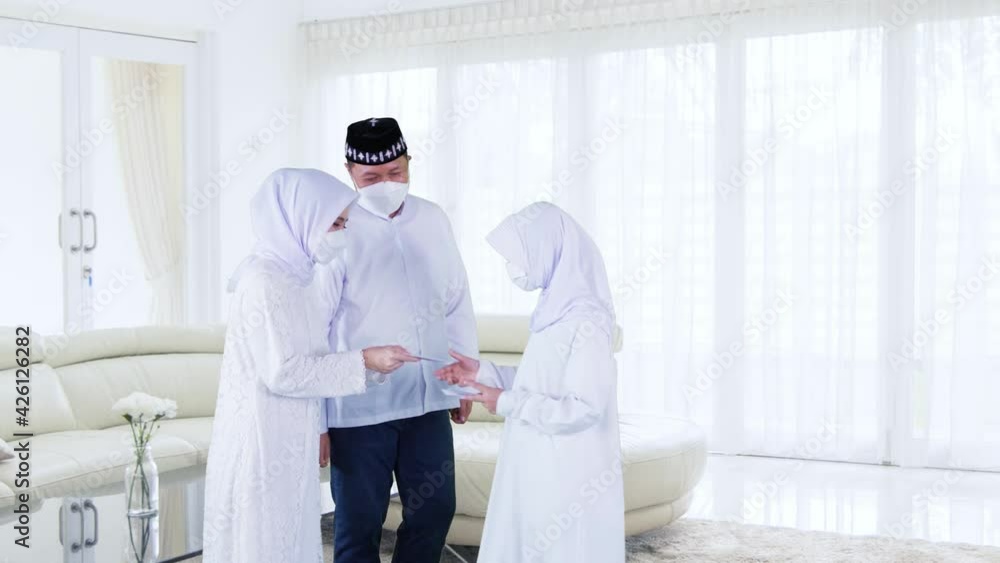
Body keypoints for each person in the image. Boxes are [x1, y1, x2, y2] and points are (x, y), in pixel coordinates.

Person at [203, 168, 417, 563]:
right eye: (334, 224)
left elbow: (315, 359)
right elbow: (283, 371)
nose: (341, 234)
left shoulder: (298, 278)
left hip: (288, 436)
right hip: (262, 439)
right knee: (263, 542)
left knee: (289, 537)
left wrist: (371, 365)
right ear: (300, 218)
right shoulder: (263, 281)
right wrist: (364, 360)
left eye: (344, 224)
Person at [320, 117, 479, 562]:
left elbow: (456, 301)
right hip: (359, 408)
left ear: (409, 161)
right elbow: (315, 327)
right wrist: (317, 421)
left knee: (435, 511)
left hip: (427, 400)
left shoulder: (432, 218)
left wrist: (464, 378)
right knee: (359, 526)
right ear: (350, 171)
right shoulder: (335, 228)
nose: (387, 184)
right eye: (372, 177)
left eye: (396, 172)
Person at [436, 202, 626, 563]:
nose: (514, 267)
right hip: (539, 458)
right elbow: (541, 380)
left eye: (520, 255)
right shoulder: (557, 310)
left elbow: (584, 408)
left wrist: (504, 401)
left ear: (547, 248)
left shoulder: (587, 321)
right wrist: (481, 373)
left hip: (566, 470)